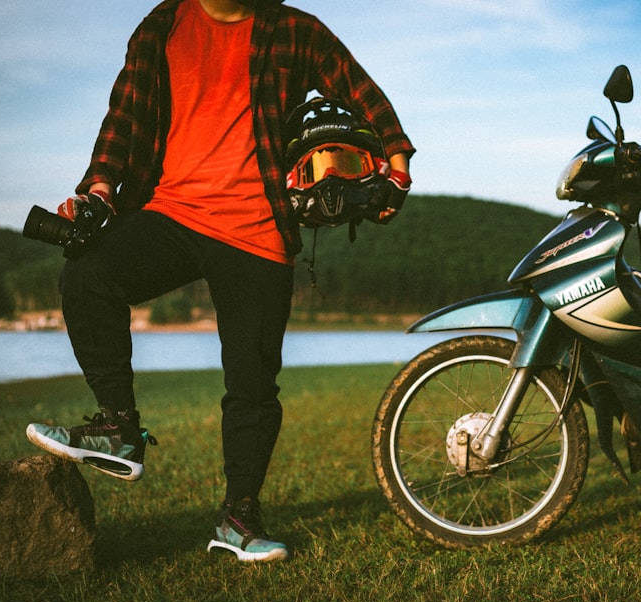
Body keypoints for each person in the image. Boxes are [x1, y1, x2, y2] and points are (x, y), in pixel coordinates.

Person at [25, 0, 414, 563]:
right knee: (87, 273)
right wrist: (100, 189)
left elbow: (361, 90)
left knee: (252, 384)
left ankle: (238, 519)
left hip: (258, 228)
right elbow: (124, 120)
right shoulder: (163, 25)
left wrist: (396, 161)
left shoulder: (293, 30)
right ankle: (119, 429)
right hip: (171, 211)